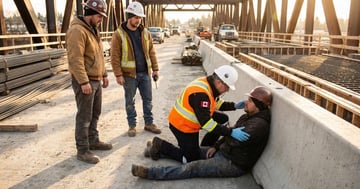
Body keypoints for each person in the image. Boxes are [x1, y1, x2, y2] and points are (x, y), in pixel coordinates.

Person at [131, 86, 273, 180]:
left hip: (233, 162)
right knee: (191, 153)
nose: (246, 103)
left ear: (259, 105)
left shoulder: (258, 125)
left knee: (193, 167)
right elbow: (229, 135)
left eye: (249, 101)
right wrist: (216, 146)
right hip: (223, 152)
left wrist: (228, 135)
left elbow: (234, 140)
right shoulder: (247, 116)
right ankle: (160, 147)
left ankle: (150, 172)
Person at [144, 65, 249, 164]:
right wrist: (230, 132)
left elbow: (216, 103)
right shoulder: (201, 94)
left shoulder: (209, 84)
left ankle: (205, 146)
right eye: (227, 87)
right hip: (183, 126)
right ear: (219, 82)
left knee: (223, 118)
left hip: (191, 119)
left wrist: (234, 106)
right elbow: (207, 123)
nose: (228, 90)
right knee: (190, 159)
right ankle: (160, 145)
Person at [66, 0, 112, 164]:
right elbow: (75, 59)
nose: (101, 19)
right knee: (84, 117)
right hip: (85, 81)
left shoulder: (92, 29)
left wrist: (104, 73)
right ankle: (83, 150)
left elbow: (99, 54)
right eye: (100, 16)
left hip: (96, 80)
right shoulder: (77, 31)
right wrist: (84, 82)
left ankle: (93, 140)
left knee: (95, 113)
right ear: (90, 13)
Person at [110, 1, 161, 137]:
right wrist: (118, 74)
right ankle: (132, 126)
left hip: (145, 73)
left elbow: (152, 52)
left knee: (148, 100)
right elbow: (114, 57)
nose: (138, 20)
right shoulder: (119, 34)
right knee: (130, 101)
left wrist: (155, 69)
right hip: (129, 75)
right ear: (129, 16)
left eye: (140, 18)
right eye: (136, 17)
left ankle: (149, 123)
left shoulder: (145, 33)